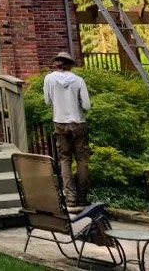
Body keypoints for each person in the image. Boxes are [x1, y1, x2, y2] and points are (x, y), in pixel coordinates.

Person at [43, 51, 91, 208]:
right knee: (82, 160)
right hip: (78, 123)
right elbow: (86, 105)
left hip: (59, 123)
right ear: (70, 64)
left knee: (65, 159)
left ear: (57, 63)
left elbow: (47, 101)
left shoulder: (49, 79)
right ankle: (82, 197)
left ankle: (70, 198)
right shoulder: (78, 80)